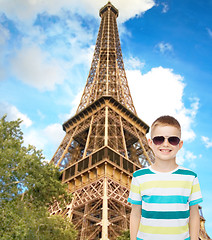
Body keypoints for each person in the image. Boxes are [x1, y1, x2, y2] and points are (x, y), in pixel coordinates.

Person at [128, 115, 203, 240]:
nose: (166, 144)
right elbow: (135, 213)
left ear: (180, 144)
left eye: (172, 140)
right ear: (150, 143)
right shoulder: (139, 177)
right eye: (159, 139)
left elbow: (194, 214)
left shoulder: (190, 177)